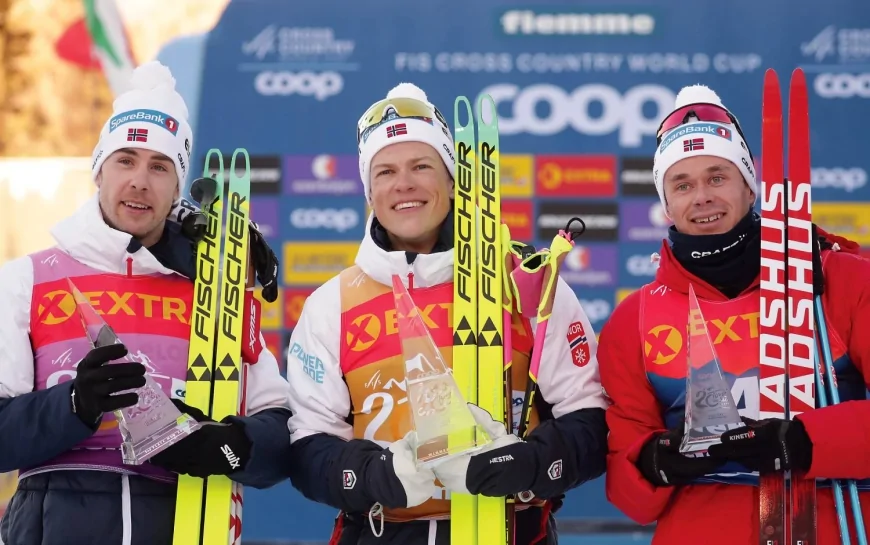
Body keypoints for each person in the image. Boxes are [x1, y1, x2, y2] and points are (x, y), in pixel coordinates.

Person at [283, 82, 609, 544]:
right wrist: (376, 474)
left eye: (422, 165)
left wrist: (528, 464)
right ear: (369, 191)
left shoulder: (526, 283)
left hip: (511, 530)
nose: (404, 184)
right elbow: (308, 448)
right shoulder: (331, 304)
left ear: (452, 179)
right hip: (383, 532)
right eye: (385, 171)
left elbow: (590, 420)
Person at [0, 61, 292, 545]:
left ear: (177, 187)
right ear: (98, 171)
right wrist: (73, 404)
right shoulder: (26, 280)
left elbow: (282, 437)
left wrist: (227, 446)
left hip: (185, 520)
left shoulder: (214, 294)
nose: (140, 180)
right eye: (125, 160)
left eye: (160, 167)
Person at [597, 84, 870, 544]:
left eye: (718, 177)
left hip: (834, 522)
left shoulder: (841, 280)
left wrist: (808, 442)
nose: (702, 196)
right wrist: (655, 461)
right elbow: (630, 487)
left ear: (748, 185)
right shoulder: (635, 319)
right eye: (682, 185)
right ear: (667, 205)